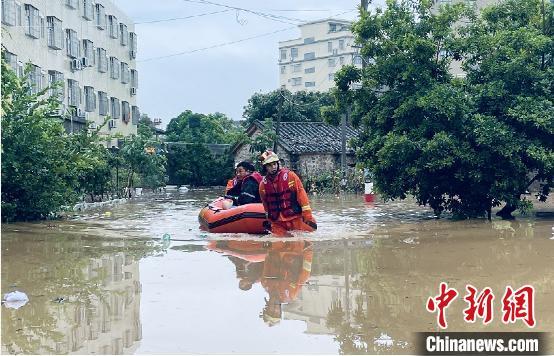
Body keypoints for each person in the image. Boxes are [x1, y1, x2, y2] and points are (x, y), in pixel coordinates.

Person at [258, 150, 317, 237]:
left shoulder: (291, 176)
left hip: (295, 218)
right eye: (269, 165)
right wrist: (269, 221)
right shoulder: (263, 185)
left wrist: (307, 215)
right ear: (265, 168)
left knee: (300, 246)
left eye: (274, 164)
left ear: (278, 164)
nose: (273, 167)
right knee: (279, 247)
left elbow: (302, 196)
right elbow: (266, 206)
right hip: (277, 222)